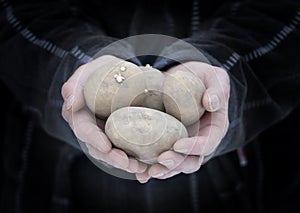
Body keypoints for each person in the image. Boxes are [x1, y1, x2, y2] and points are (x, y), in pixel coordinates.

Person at [1, 0, 300, 212]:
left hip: (247, 185)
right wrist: (74, 69)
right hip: (47, 181)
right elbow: (15, 13)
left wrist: (224, 77)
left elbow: (286, 14)